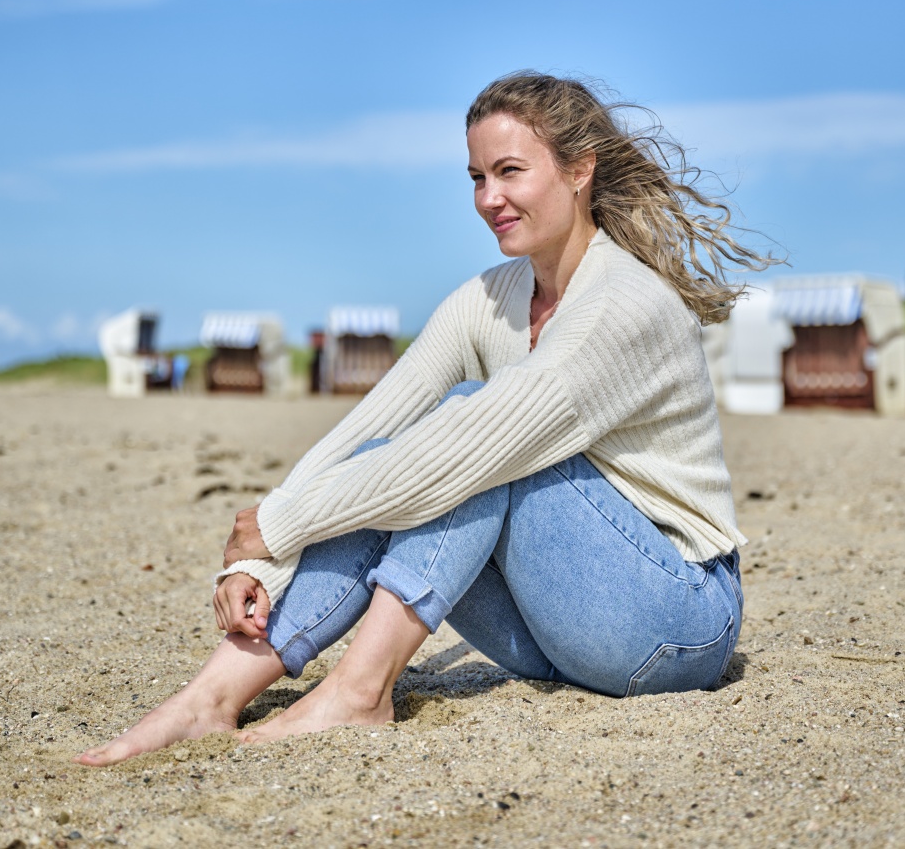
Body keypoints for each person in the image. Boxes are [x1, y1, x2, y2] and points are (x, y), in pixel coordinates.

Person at [75, 71, 772, 767]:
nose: (488, 199)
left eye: (509, 172)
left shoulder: (622, 304)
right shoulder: (489, 298)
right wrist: (263, 550)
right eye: (476, 177)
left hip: (676, 627)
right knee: (405, 454)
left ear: (579, 170)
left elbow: (471, 445)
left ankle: (360, 690)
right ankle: (212, 697)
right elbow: (368, 430)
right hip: (555, 637)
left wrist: (284, 521)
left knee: (466, 435)